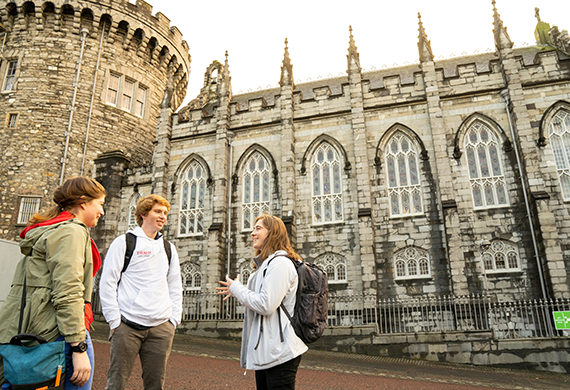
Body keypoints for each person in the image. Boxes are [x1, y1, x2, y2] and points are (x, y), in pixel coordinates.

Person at [0, 176, 106, 389]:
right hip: (59, 333)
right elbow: (68, 290)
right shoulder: (72, 231)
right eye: (100, 204)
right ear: (83, 202)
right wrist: (78, 347)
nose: (102, 212)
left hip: (34, 330)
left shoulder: (49, 229)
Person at [99, 194, 182, 390]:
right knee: (116, 383)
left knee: (155, 385)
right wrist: (114, 321)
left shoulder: (169, 248)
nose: (163, 216)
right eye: (158, 212)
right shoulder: (124, 242)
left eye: (165, 213)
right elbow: (108, 281)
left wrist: (173, 320)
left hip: (161, 328)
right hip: (127, 325)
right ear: (143, 214)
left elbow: (175, 285)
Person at [217, 214, 308, 390]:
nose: (252, 233)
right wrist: (237, 289)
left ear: (272, 233)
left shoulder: (280, 263)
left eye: (258, 228)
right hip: (268, 351)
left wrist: (237, 288)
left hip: (280, 351)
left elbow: (266, 305)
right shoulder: (266, 265)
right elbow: (257, 300)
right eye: (253, 228)